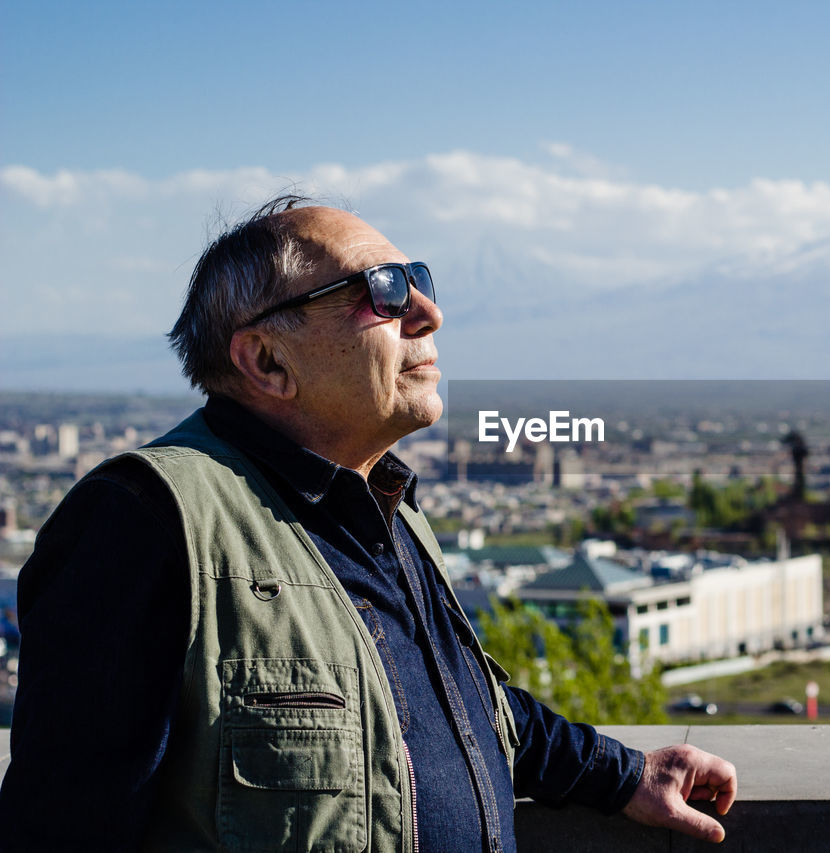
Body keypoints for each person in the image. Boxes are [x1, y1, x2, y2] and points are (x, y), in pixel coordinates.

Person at [0, 197, 736, 851]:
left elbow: (455, 702)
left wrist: (625, 774)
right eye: (382, 290)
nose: (427, 311)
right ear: (266, 358)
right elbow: (61, 825)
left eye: (419, 278)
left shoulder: (386, 507)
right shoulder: (146, 520)